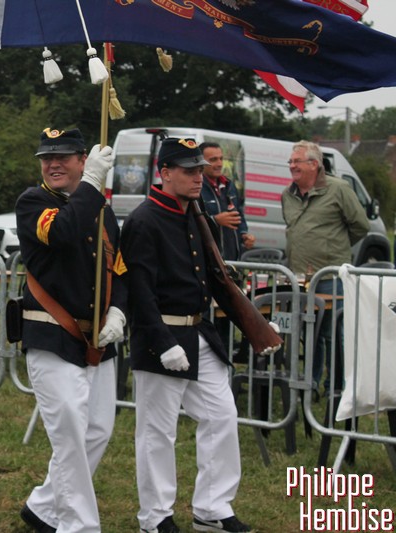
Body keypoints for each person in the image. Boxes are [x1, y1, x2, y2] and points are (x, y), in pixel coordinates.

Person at [120, 138, 254, 533]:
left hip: (198, 333)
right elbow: (139, 291)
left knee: (221, 415)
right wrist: (163, 343)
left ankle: (212, 508)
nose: (199, 177)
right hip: (160, 337)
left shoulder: (195, 214)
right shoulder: (144, 220)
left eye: (200, 170)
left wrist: (252, 324)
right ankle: (155, 517)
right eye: (189, 170)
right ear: (164, 173)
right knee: (157, 432)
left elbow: (213, 278)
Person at [15, 128, 126, 533]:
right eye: (47, 158)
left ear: (82, 159)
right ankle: (78, 526)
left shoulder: (102, 210)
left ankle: (44, 508)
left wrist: (119, 312)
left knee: (97, 431)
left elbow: (119, 269)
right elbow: (62, 233)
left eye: (63, 157)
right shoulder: (33, 202)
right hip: (53, 336)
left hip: (97, 340)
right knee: (71, 438)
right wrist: (93, 183)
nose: (53, 164)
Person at [281, 140, 369, 393]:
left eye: (297, 161)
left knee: (333, 334)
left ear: (314, 164)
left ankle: (337, 388)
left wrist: (333, 247)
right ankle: (310, 384)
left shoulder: (339, 189)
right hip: (299, 277)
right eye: (290, 161)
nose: (292, 165)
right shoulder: (287, 194)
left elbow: (361, 226)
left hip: (331, 276)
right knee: (309, 334)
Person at [199, 142, 254, 261]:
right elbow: (190, 222)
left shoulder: (229, 185)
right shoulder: (196, 188)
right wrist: (215, 220)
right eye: (213, 160)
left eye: (221, 159)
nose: (219, 164)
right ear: (201, 162)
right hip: (208, 261)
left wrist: (244, 234)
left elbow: (239, 215)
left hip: (232, 260)